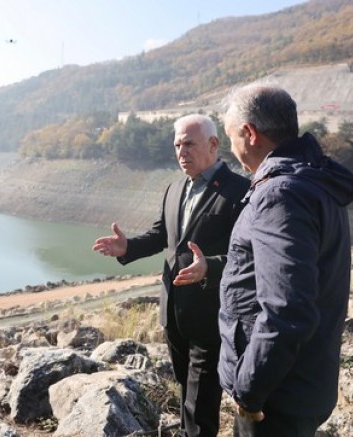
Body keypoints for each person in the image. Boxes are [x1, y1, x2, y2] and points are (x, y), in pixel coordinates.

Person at [93, 114, 250, 436]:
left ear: (213, 144)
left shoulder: (240, 191)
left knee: (201, 399)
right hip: (174, 312)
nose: (181, 152)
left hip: (212, 313)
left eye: (189, 144)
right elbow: (161, 236)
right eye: (177, 145)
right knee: (186, 389)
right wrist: (127, 247)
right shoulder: (175, 187)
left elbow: (250, 255)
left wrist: (210, 266)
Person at [218, 84, 353, 436]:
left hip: (275, 396)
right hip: (303, 379)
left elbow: (287, 310)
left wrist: (249, 390)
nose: (232, 149)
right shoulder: (313, 180)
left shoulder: (280, 194)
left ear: (250, 134)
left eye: (231, 138)